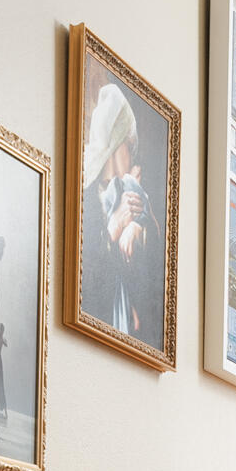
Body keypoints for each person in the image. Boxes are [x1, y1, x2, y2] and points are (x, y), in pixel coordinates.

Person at [78, 81, 156, 348]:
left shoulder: (126, 188)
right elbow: (82, 280)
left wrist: (136, 227)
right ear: (115, 145)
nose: (132, 153)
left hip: (124, 318)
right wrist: (113, 227)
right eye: (128, 145)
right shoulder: (84, 194)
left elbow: (148, 256)